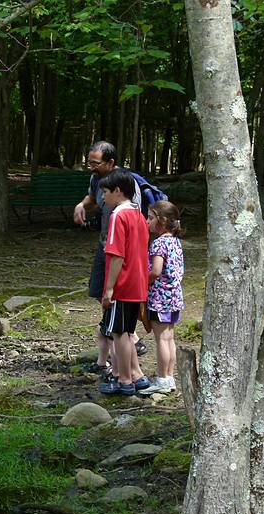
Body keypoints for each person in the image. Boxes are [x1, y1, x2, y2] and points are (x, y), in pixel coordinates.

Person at [73, 141, 165, 377]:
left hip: (122, 254)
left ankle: (125, 372)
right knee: (100, 294)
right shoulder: (97, 180)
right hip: (106, 247)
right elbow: (92, 199)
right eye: (89, 162)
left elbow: (137, 220)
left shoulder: (126, 187)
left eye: (95, 163)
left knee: (117, 309)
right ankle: (121, 361)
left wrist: (114, 284)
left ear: (110, 163)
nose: (91, 167)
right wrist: (82, 205)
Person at [95, 168, 154, 395]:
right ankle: (136, 378)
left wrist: (109, 288)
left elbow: (117, 254)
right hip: (138, 283)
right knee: (127, 332)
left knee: (118, 333)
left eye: (106, 192)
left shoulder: (118, 215)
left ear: (118, 191)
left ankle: (125, 381)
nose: (103, 198)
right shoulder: (139, 215)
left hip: (123, 284)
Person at [140, 201, 185, 395]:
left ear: (162, 220)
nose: (147, 222)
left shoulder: (158, 243)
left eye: (150, 218)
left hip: (159, 298)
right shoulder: (175, 242)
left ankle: (161, 378)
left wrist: (144, 280)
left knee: (161, 340)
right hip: (175, 297)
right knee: (169, 338)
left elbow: (156, 271)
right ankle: (169, 377)